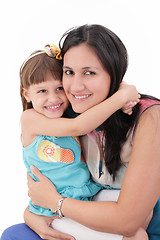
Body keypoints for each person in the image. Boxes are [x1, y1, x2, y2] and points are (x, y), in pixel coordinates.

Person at [1, 24, 160, 240]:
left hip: (137, 229)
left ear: (114, 74)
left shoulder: (151, 118)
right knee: (13, 234)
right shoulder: (70, 113)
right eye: (68, 72)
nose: (75, 87)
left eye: (89, 72)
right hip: (85, 210)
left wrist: (56, 203)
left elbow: (129, 221)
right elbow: (45, 181)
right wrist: (31, 215)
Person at [20, 44, 138, 217]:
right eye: (42, 91)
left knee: (136, 211)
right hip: (54, 207)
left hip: (86, 193)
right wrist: (121, 97)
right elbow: (79, 127)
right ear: (27, 94)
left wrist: (123, 86)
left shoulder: (69, 113)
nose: (53, 99)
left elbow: (100, 86)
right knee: (135, 233)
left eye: (59, 88)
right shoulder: (29, 119)